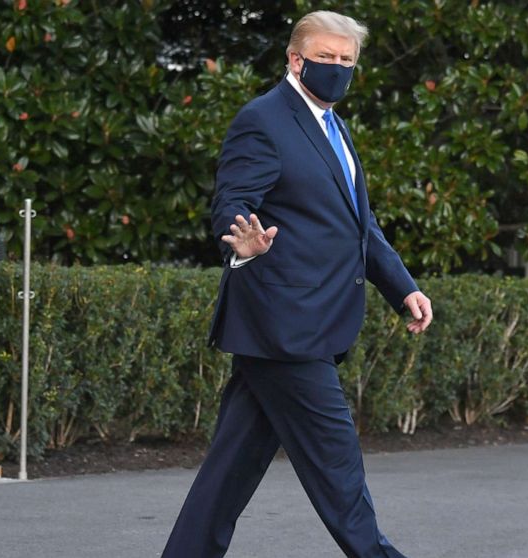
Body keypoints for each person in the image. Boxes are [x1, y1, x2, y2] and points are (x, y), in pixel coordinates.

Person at [161, 10, 432, 558]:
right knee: (338, 467)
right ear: (295, 58)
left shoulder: (332, 125)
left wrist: (402, 287)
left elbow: (360, 226)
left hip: (297, 326)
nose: (336, 68)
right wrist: (240, 243)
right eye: (326, 57)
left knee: (230, 471)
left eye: (346, 60)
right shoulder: (264, 119)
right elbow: (233, 204)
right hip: (286, 326)